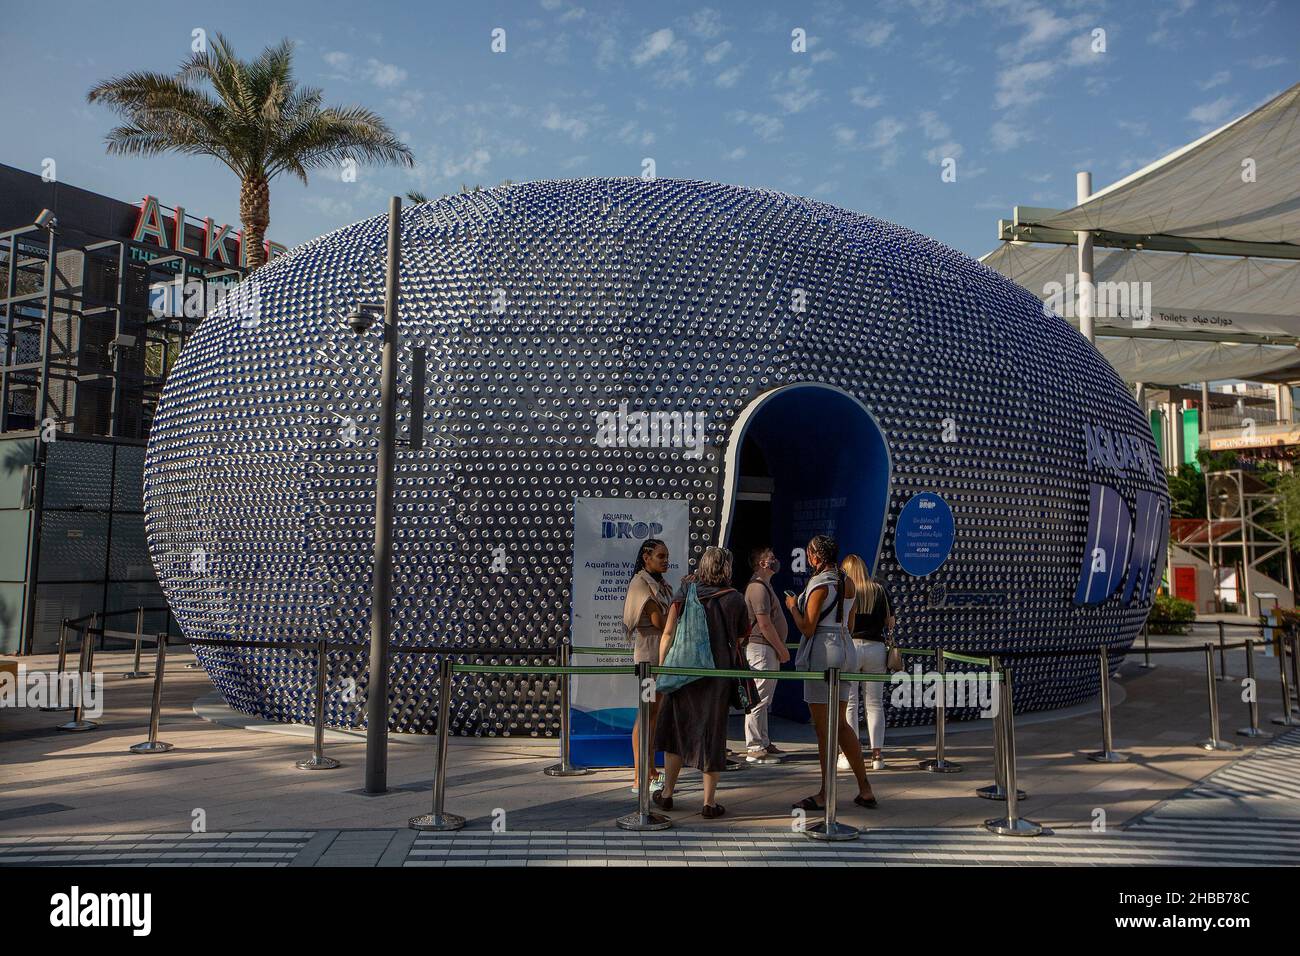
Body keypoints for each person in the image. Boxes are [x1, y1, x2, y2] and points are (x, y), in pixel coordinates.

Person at [652, 546, 749, 818]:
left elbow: (668, 633)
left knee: (676, 731)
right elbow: (741, 638)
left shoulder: (685, 593)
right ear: (727, 568)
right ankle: (708, 802)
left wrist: (663, 669)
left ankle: (668, 794)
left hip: (683, 671)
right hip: (718, 675)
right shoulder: (735, 599)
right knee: (712, 733)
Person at [785, 534, 877, 811]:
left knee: (824, 729)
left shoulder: (819, 583)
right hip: (845, 648)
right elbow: (849, 621)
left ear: (816, 556)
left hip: (823, 652)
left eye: (810, 553)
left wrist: (792, 608)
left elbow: (808, 627)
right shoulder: (847, 582)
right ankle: (864, 788)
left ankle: (826, 792)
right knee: (840, 725)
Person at [622, 538, 672, 793]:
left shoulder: (660, 584)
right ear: (646, 557)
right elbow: (662, 622)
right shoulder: (641, 584)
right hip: (648, 661)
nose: (665, 561)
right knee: (645, 715)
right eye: (661, 556)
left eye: (666, 556)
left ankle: (650, 770)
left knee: (653, 715)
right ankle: (640, 776)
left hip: (660, 659)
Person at [840, 553, 893, 772]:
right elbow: (890, 622)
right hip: (876, 649)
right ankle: (877, 755)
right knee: (875, 703)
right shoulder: (879, 590)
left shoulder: (846, 591)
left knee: (850, 704)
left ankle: (849, 754)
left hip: (852, 646)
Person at [743, 546, 791, 761]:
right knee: (759, 698)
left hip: (767, 649)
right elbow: (764, 624)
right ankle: (754, 747)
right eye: (771, 558)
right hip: (761, 649)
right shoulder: (758, 588)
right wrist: (781, 649)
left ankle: (763, 740)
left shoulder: (765, 586)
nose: (775, 561)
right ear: (762, 563)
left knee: (765, 699)